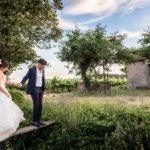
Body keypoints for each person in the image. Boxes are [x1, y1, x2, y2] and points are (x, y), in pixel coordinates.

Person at [0, 59, 25, 142]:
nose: (8, 68)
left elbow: (4, 82)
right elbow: (0, 85)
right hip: (1, 93)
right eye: (8, 67)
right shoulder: (0, 72)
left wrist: (15, 83)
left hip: (2, 93)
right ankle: (5, 129)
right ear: (5, 66)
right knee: (4, 110)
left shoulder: (1, 73)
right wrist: (8, 93)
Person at [19, 58, 47, 127]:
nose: (43, 67)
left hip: (41, 89)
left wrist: (43, 88)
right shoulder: (32, 69)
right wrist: (21, 83)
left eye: (44, 66)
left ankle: (39, 120)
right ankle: (34, 121)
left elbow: (42, 79)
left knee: (40, 105)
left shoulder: (42, 70)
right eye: (42, 66)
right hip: (34, 89)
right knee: (36, 104)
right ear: (39, 64)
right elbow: (26, 77)